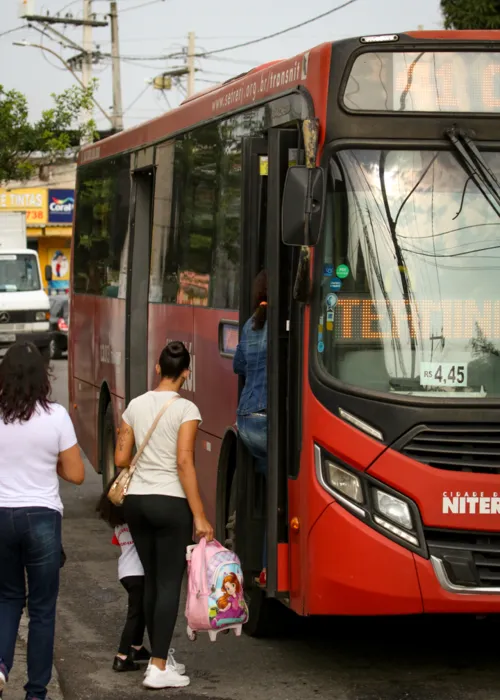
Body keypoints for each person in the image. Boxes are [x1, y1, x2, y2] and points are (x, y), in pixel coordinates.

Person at [115, 341, 213, 690]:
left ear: (158, 369)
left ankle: (159, 658)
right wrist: (199, 515)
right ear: (186, 373)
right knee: (169, 582)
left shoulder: (135, 406)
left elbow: (121, 457)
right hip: (170, 503)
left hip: (137, 503)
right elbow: (184, 462)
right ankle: (157, 666)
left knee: (153, 579)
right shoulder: (186, 409)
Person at [0, 342, 85, 700]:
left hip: (1, 515)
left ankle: (1, 666)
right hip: (42, 519)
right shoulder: (57, 416)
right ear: (43, 377)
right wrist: (49, 463)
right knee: (42, 609)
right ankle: (36, 693)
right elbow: (78, 474)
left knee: (6, 598)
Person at [233, 269, 268, 586]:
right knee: (280, 497)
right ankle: (267, 563)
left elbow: (238, 366)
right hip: (268, 419)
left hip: (246, 419)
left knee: (263, 487)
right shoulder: (283, 326)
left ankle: (250, 558)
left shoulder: (251, 324)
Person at [97, 482, 150, 673]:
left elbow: (117, 543)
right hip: (139, 572)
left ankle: (137, 648)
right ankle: (121, 656)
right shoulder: (138, 525)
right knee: (136, 614)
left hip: (126, 573)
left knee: (140, 610)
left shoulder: (119, 527)